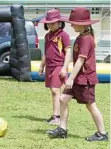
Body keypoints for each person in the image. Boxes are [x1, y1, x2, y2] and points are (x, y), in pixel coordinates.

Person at [47, 7, 108, 142]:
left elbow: (80, 60)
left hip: (84, 80)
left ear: (83, 24)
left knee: (91, 105)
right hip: (77, 79)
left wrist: (71, 78)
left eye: (73, 22)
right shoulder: (81, 37)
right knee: (63, 99)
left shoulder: (86, 39)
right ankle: (62, 129)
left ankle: (102, 133)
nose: (71, 25)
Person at [39, 8, 71, 125]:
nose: (50, 25)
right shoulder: (47, 36)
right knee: (53, 91)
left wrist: (64, 67)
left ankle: (57, 117)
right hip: (49, 67)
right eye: (48, 23)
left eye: (53, 23)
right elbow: (46, 52)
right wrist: (42, 65)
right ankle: (55, 115)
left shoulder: (64, 35)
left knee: (55, 90)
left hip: (59, 65)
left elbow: (68, 52)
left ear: (59, 22)